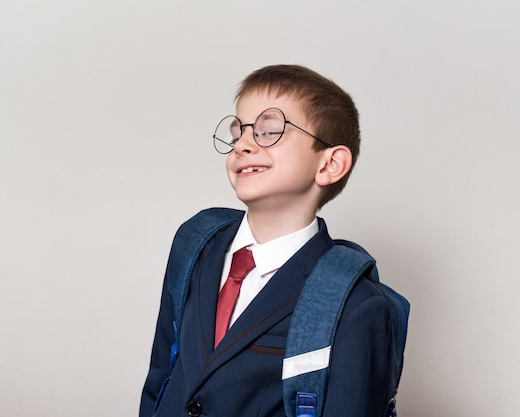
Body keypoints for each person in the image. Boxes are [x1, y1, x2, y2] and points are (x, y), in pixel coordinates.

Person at [139, 64, 390, 417]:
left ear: (330, 164)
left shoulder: (353, 303)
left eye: (269, 131)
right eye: (238, 131)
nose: (242, 144)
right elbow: (161, 379)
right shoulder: (194, 245)